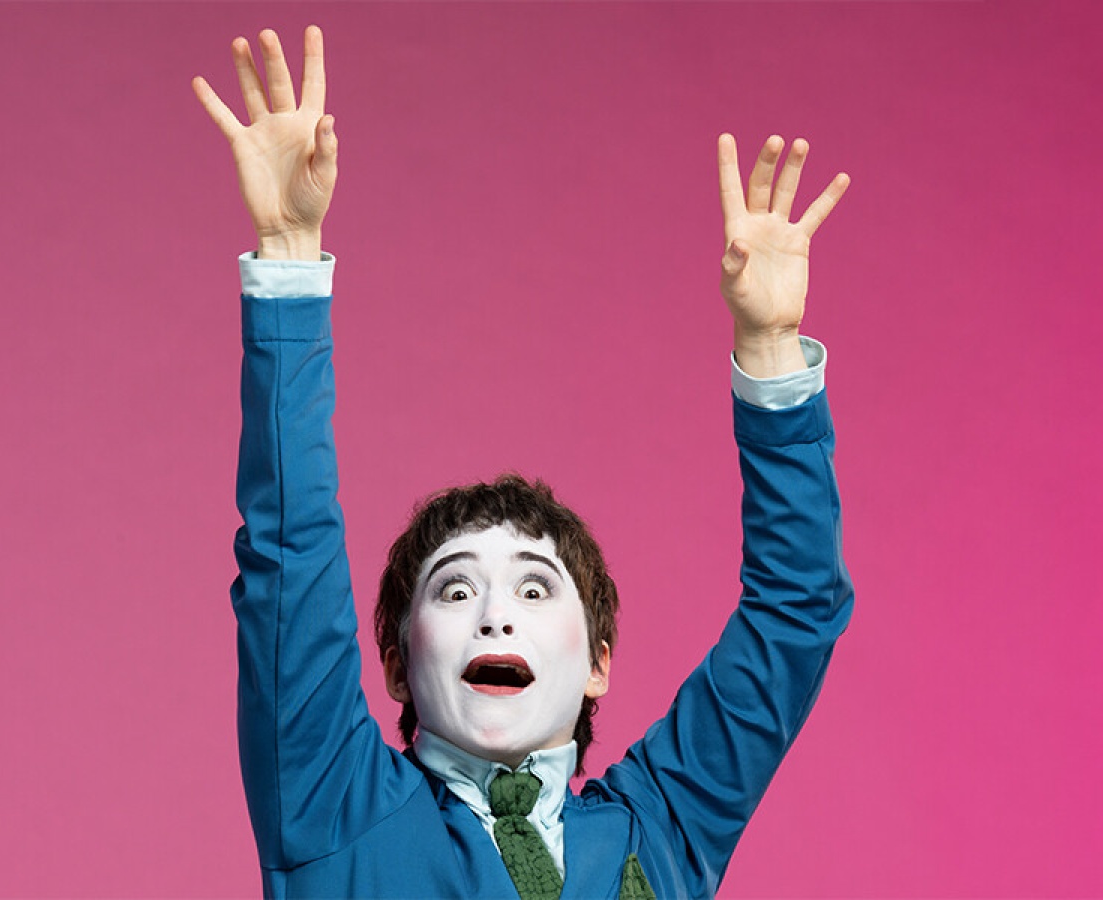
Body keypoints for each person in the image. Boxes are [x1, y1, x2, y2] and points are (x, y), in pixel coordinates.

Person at [193, 25, 853, 899]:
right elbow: (290, 547)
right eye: (454, 591)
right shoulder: (334, 808)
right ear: (395, 664)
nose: (495, 617)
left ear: (598, 662)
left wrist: (770, 351)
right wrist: (287, 261)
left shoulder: (661, 828)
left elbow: (797, 610)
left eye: (536, 590)